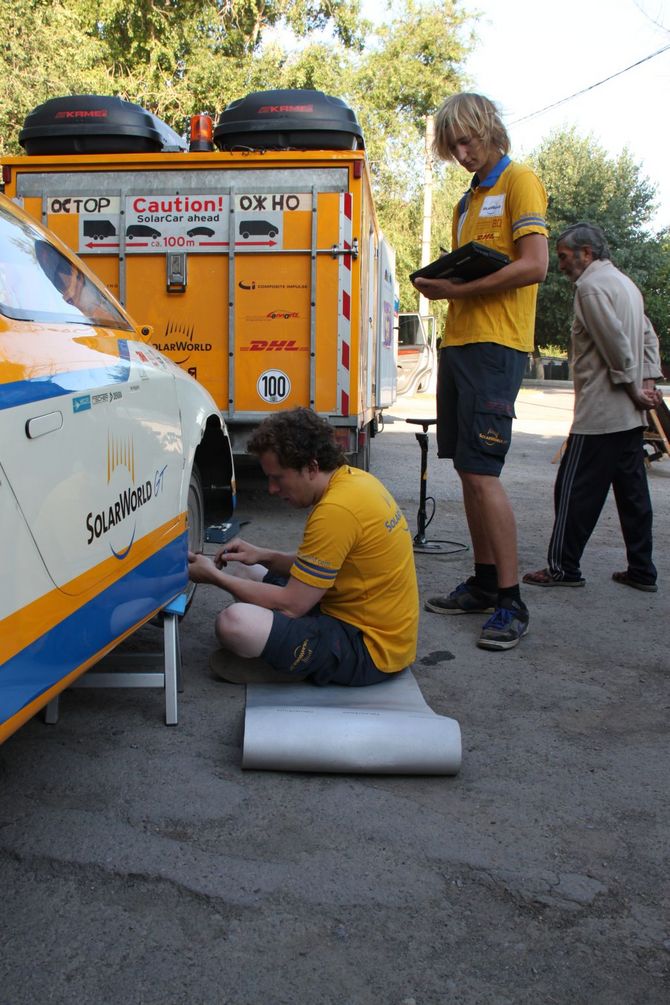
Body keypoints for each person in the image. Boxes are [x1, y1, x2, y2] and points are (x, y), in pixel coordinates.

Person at [411, 92, 548, 651]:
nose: (462, 154)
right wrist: (440, 286)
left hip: (498, 347)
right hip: (462, 343)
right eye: (453, 147)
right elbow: (466, 277)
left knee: (484, 472)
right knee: (468, 470)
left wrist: (459, 288)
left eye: (466, 141)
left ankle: (512, 601)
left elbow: (534, 265)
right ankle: (487, 582)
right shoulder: (466, 203)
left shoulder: (521, 180)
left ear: (488, 129)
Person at [188, 407, 419, 685]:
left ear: (311, 467)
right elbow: (325, 565)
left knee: (233, 623)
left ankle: (293, 665)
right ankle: (283, 652)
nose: (272, 489)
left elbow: (293, 606)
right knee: (241, 566)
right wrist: (264, 556)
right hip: (365, 623)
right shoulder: (354, 481)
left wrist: (214, 577)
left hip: (370, 651)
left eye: (278, 478)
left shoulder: (336, 510)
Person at [523, 222, 663, 593]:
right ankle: (642, 570)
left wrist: (634, 387)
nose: (562, 265)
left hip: (600, 413)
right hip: (629, 417)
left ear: (587, 254)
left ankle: (563, 568)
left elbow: (614, 343)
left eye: (565, 257)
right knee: (633, 495)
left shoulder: (590, 287)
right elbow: (648, 335)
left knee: (572, 492)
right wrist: (647, 382)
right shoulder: (626, 285)